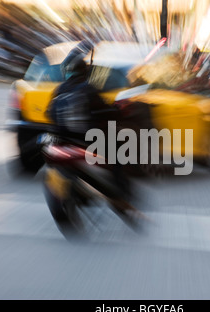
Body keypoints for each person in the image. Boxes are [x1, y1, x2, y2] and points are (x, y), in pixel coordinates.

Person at [47, 47, 145, 226]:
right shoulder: (88, 89)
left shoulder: (59, 89)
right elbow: (107, 112)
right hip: (87, 141)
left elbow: (49, 113)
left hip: (62, 141)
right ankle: (121, 194)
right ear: (84, 72)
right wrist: (117, 111)